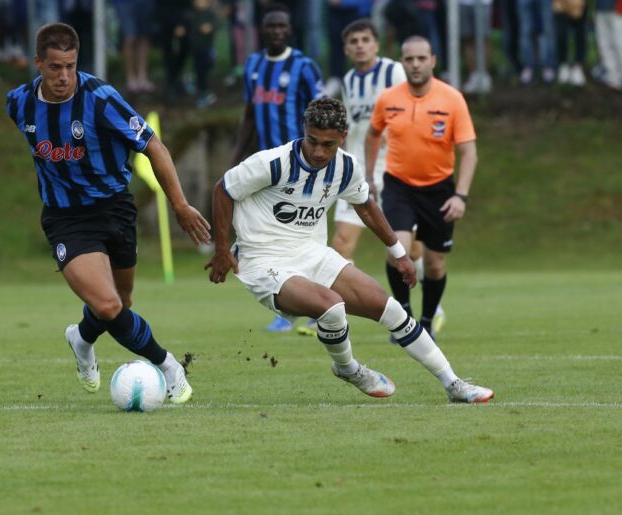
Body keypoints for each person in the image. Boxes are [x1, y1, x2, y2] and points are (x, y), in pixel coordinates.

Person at [205, 97, 494, 404]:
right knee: (332, 307)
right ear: (304, 130)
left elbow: (365, 206)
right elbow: (224, 189)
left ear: (343, 138)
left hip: (312, 252)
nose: (318, 152)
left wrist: (399, 254)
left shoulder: (345, 167)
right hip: (263, 259)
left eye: (328, 144)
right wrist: (222, 250)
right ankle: (348, 368)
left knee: (392, 309)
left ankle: (454, 385)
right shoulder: (273, 162)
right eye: (312, 141)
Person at [4, 23, 211, 403]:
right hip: (66, 218)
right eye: (54, 67)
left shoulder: (101, 99)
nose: (64, 76)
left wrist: (179, 205)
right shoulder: (19, 103)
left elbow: (155, 147)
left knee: (122, 302)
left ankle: (81, 338)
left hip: (115, 208)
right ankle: (168, 366)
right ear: (38, 63)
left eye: (70, 66)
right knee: (108, 304)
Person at [365, 36, 477, 340]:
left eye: (421, 58)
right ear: (402, 62)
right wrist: (369, 176)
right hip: (398, 185)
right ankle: (404, 318)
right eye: (409, 59)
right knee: (397, 251)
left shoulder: (452, 99)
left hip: (439, 190)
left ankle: (426, 321)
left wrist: (461, 196)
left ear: (433, 61)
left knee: (435, 265)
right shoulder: (388, 98)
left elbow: (469, 152)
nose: (415, 64)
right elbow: (373, 134)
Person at [232, 5, 324, 334]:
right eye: (270, 26)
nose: (276, 31)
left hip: (302, 165)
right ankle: (291, 306)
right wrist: (237, 156)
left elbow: (321, 113)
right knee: (277, 238)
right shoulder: (254, 65)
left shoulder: (303, 67)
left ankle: (314, 305)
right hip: (268, 168)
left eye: (281, 26)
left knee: (304, 235)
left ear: (290, 30)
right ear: (262, 30)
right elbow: (249, 114)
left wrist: (319, 156)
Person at [332, 19, 406, 261]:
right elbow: (349, 126)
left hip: (395, 170)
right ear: (346, 49)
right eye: (354, 41)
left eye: (366, 40)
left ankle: (423, 285)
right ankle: (344, 290)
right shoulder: (348, 80)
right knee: (341, 243)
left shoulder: (393, 71)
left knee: (406, 249)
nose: (360, 45)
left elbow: (412, 112)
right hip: (358, 172)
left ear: (376, 45)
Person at [146, 0, 197, 102]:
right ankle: (172, 82)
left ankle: (176, 78)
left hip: (182, 12)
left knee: (185, 46)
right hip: (164, 14)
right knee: (168, 49)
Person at [181, 0, 220, 108]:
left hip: (207, 48)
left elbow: (216, 23)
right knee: (200, 70)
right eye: (198, 0)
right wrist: (180, 29)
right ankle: (202, 89)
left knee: (207, 66)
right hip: (195, 49)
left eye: (203, 0)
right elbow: (183, 24)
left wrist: (210, 27)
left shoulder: (210, 15)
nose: (201, 3)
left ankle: (200, 86)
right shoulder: (190, 15)